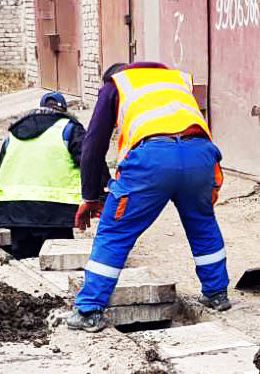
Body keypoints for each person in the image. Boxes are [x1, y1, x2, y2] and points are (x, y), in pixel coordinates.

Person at [67, 62, 229, 332]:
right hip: (200, 154)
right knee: (202, 223)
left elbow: (93, 144)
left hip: (152, 158)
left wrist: (90, 197)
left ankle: (89, 310)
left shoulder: (116, 85)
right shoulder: (175, 80)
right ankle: (217, 294)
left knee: (115, 232)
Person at [0, 92, 87, 259]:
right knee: (58, 259)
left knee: (24, 259)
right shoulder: (69, 129)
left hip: (13, 206)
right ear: (63, 110)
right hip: (56, 207)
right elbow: (89, 162)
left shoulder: (14, 132)